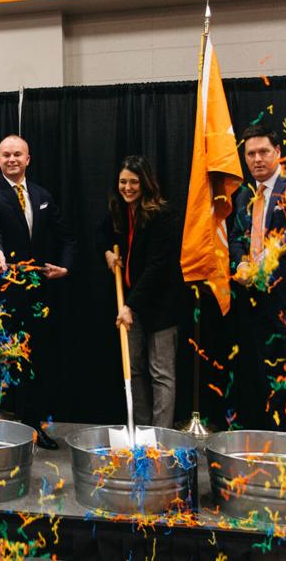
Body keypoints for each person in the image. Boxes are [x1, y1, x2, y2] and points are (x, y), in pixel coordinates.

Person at [0, 134, 75, 450]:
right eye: (5, 155)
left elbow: (67, 237)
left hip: (34, 297)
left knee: (32, 365)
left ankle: (31, 429)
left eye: (17, 154)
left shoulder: (42, 195)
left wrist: (65, 267)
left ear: (28, 158)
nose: (11, 159)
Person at [228, 124, 286, 428]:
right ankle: (277, 441)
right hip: (257, 303)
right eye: (250, 153)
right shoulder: (243, 196)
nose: (257, 159)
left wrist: (270, 257)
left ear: (278, 152)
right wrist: (240, 264)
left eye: (264, 151)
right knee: (269, 376)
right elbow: (237, 237)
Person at [100, 156, 182, 429]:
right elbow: (101, 235)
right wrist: (108, 253)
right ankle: (143, 431)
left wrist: (129, 306)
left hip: (159, 304)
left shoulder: (163, 215)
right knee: (133, 370)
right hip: (131, 302)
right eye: (123, 182)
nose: (128, 188)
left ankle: (161, 435)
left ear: (144, 183)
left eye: (134, 182)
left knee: (161, 373)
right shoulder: (119, 211)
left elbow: (157, 267)